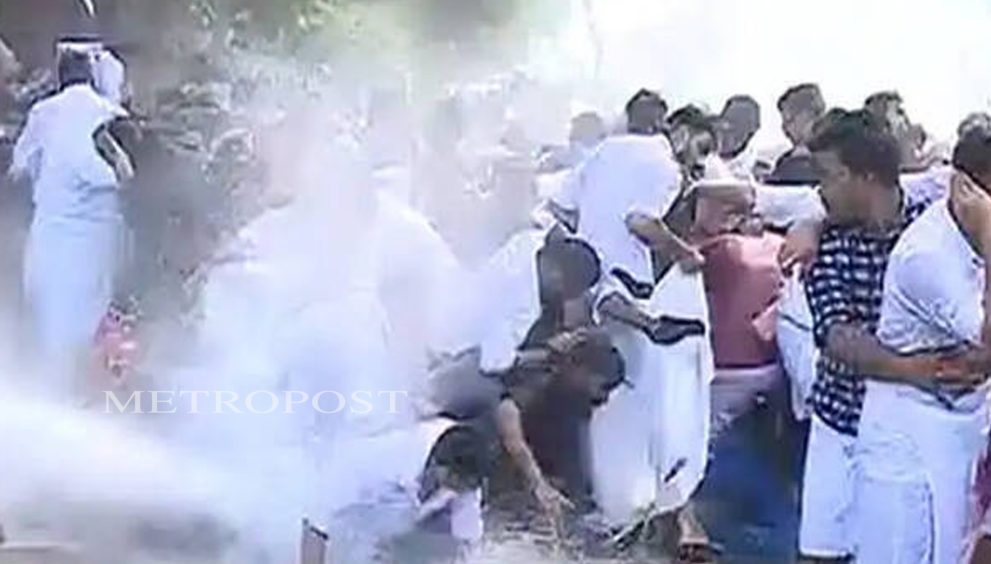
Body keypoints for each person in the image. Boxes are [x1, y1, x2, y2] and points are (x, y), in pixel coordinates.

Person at [797, 110, 958, 563]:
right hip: (843, 420)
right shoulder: (826, 243)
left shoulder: (937, 228)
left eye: (828, 176)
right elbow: (837, 336)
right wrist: (915, 370)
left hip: (920, 426)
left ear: (866, 176)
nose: (819, 191)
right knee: (822, 554)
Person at [855, 123, 991, 564]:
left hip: (960, 423)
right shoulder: (927, 257)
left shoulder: (947, 203)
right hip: (910, 437)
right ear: (967, 190)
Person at [8, 49, 131, 400]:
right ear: (91, 76)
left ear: (60, 78)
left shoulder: (43, 112)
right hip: (98, 237)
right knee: (91, 317)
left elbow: (18, 166)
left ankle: (52, 394)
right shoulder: (110, 113)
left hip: (52, 232)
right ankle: (86, 393)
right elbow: (127, 176)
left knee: (52, 318)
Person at [766, 83, 826, 186]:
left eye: (789, 121)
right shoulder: (787, 159)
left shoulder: (832, 160)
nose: (785, 130)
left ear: (809, 115)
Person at [716, 95, 761, 181]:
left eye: (739, 123)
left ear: (753, 130)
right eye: (727, 121)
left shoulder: (760, 175)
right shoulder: (701, 159)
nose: (728, 128)